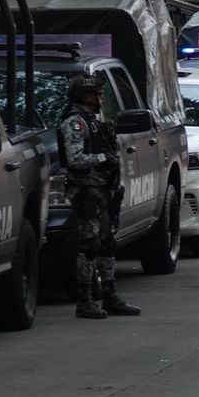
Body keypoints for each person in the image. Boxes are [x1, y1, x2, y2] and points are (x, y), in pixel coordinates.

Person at [57, 75, 141, 320]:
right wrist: (103, 159)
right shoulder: (75, 123)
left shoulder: (94, 122)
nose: (99, 99)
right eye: (94, 95)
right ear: (82, 97)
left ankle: (110, 295)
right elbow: (75, 160)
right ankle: (85, 300)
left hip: (103, 190)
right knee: (89, 245)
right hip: (86, 191)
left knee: (107, 244)